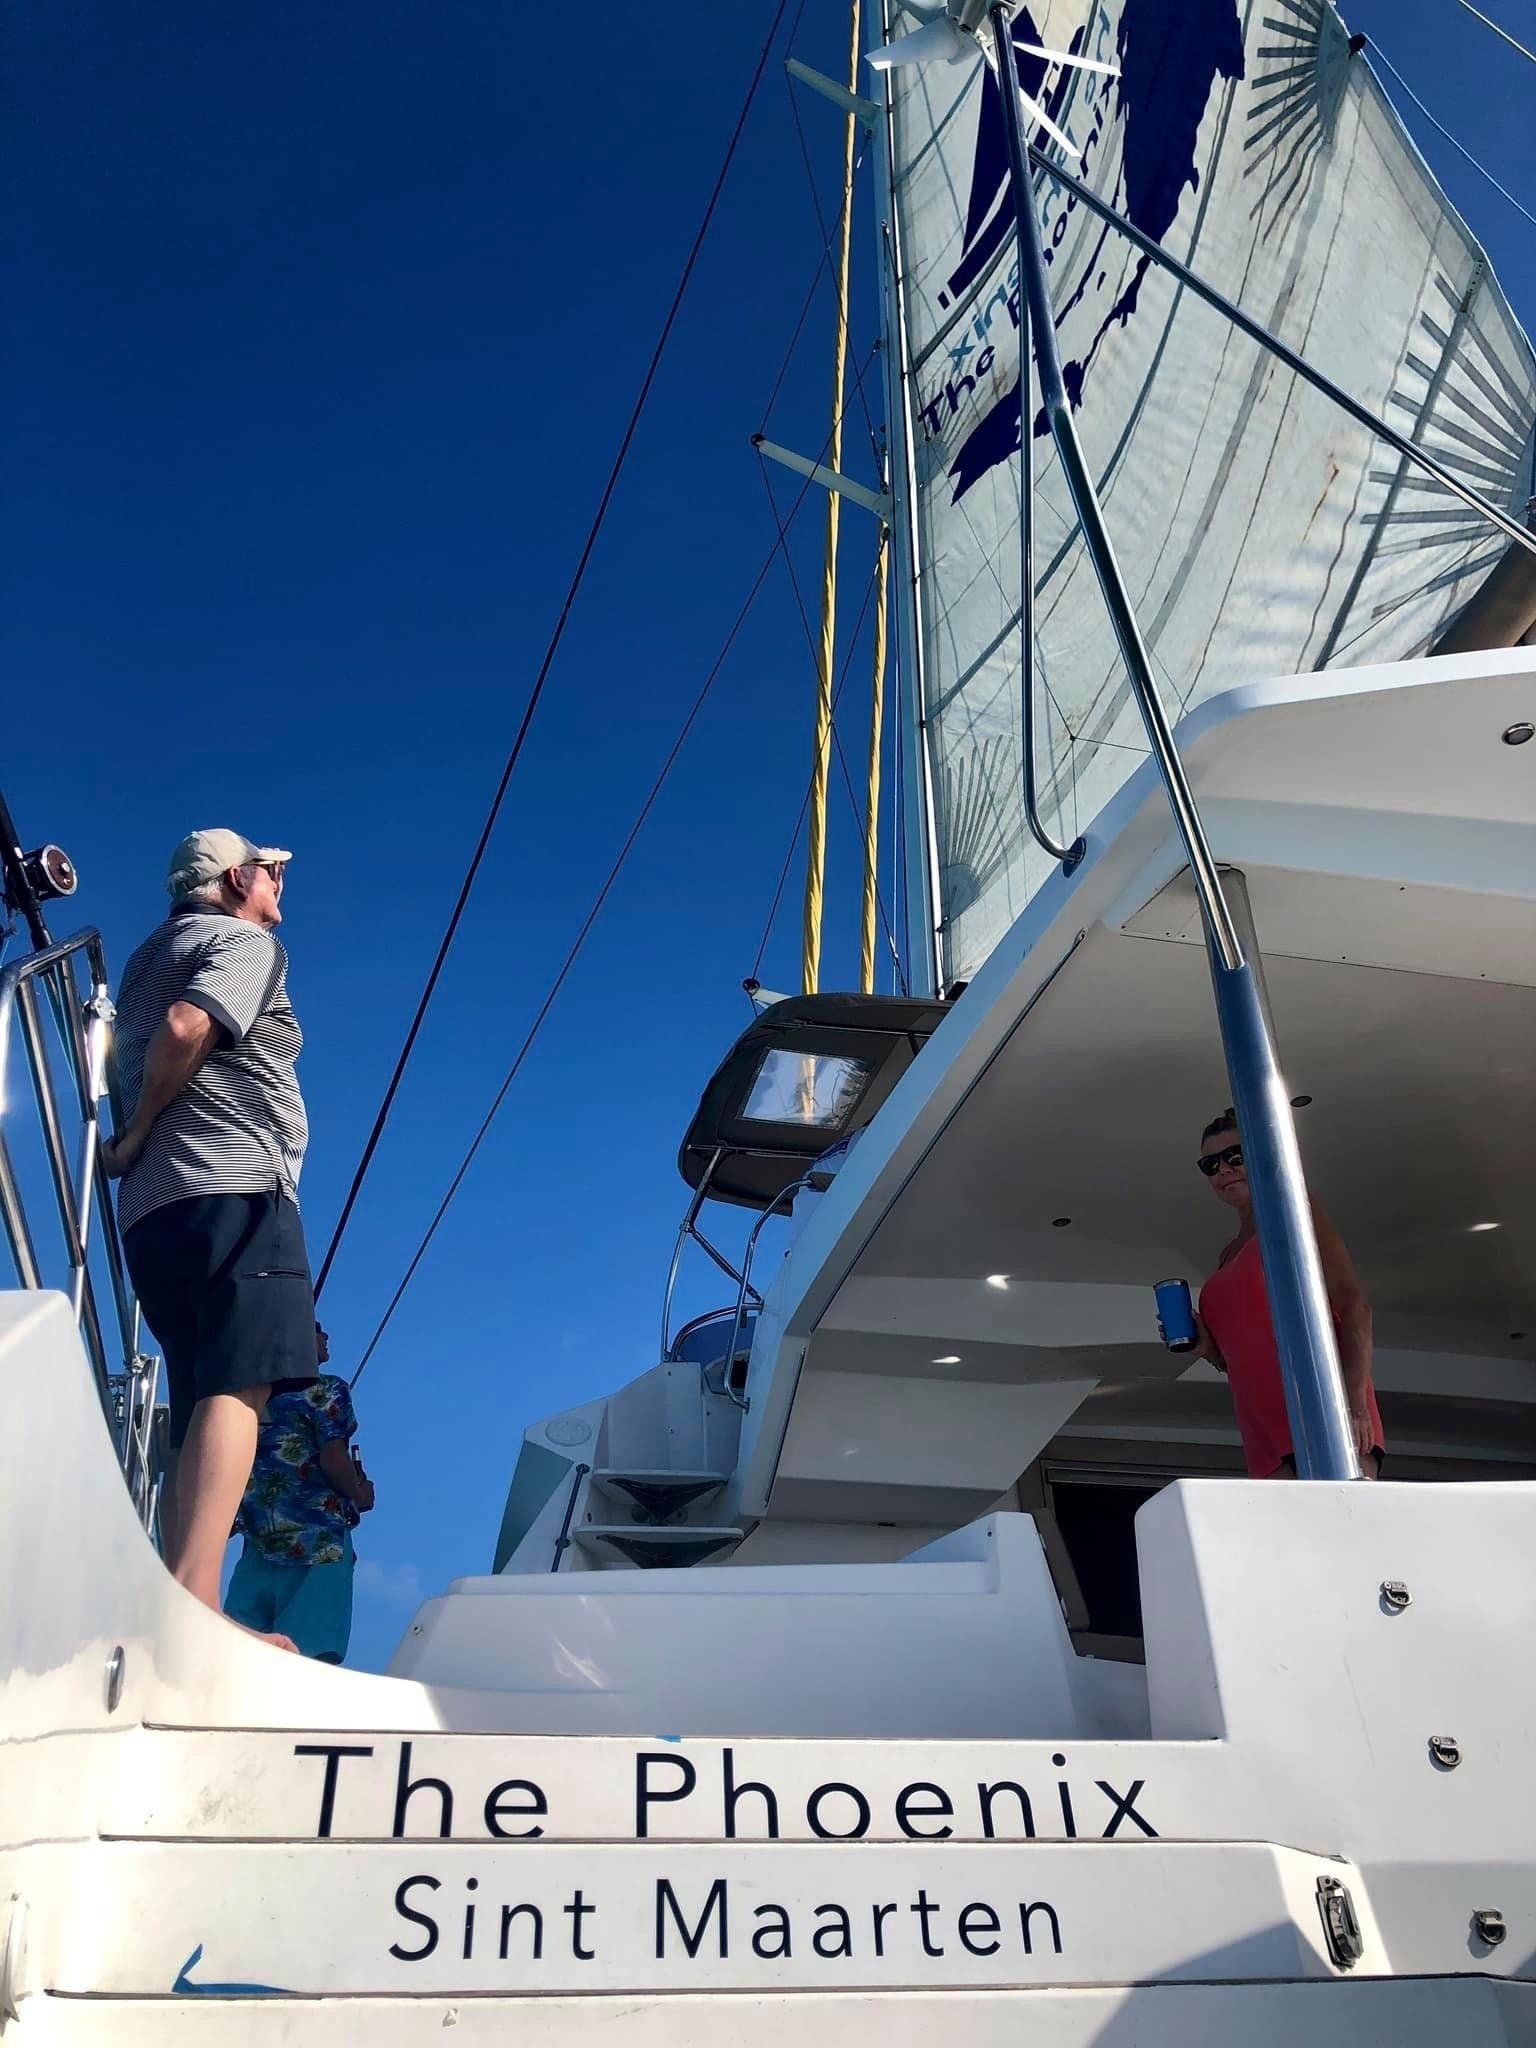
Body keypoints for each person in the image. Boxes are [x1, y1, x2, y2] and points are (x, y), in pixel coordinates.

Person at [103, 828, 316, 1648]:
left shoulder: (146, 960)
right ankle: (197, 1608)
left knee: (200, 1396)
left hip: (154, 1211)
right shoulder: (241, 940)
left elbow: (152, 1034)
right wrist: (144, 1125)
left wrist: (133, 1143)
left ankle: (177, 1602)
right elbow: (191, 1028)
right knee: (242, 1380)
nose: (279, 888)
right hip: (232, 1184)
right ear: (237, 879)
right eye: (271, 873)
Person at [1191, 1108, 1384, 1479]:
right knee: (1285, 1534)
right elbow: (1243, 1356)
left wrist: (1354, 1403)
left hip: (1322, 1408)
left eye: (1236, 1156)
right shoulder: (1228, 1254)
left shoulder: (1295, 1210)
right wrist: (1207, 1349)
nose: (1224, 1170)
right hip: (1261, 1423)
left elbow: (1353, 1304)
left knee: (1333, 1529)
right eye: (1210, 1164)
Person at [225, 1324, 373, 1662]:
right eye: (318, 1330)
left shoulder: (247, 1399)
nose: (326, 1336)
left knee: (241, 1657)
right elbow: (334, 1460)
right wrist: (359, 1493)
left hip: (259, 1545)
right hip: (318, 1546)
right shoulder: (327, 1390)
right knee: (307, 1660)